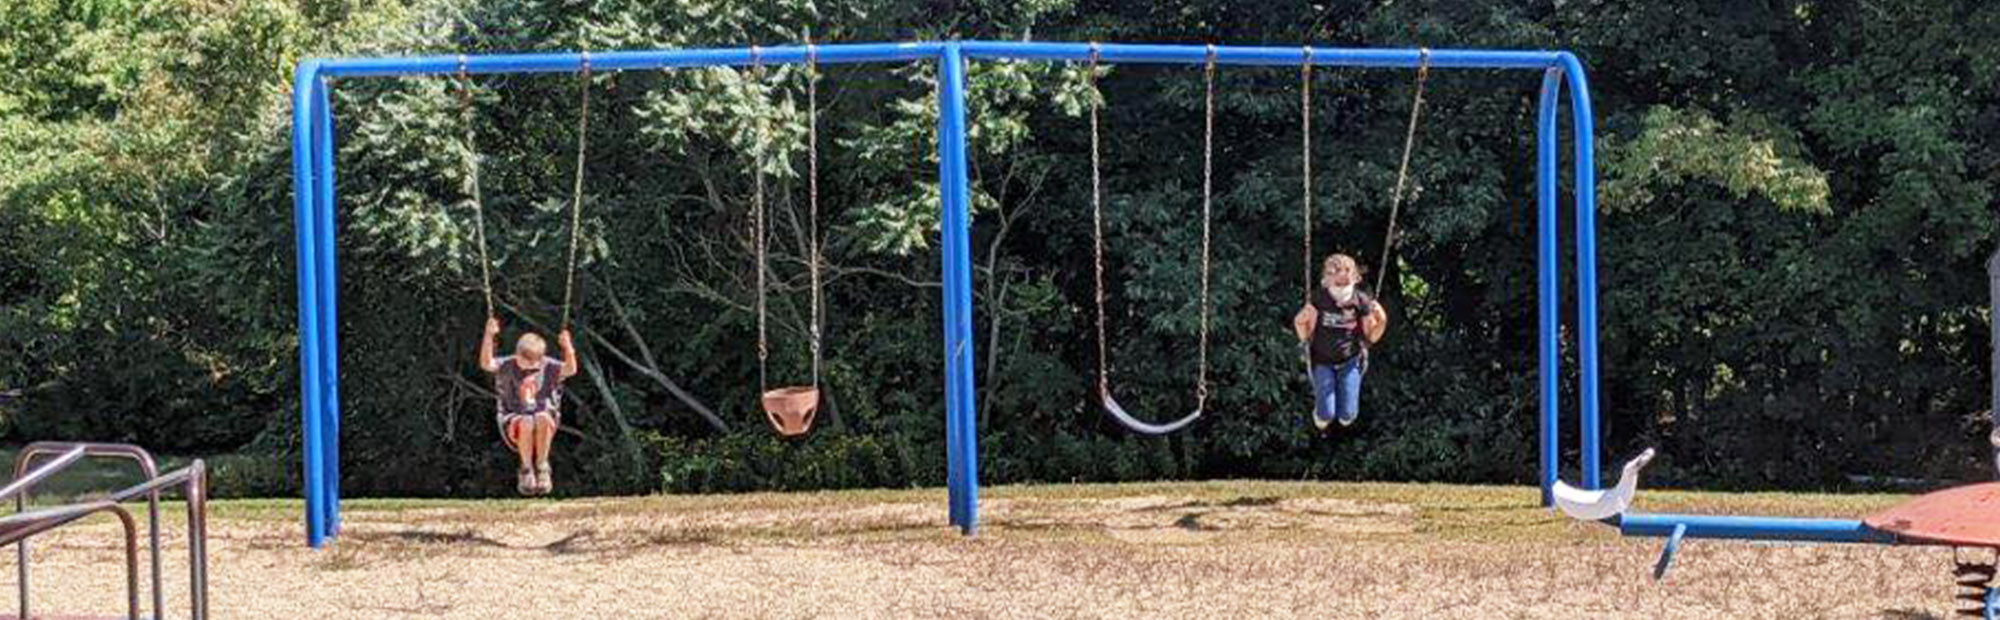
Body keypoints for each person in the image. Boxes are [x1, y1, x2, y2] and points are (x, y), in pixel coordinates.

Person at [478, 318, 579, 495]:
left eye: (534, 363)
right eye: (526, 361)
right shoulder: (507, 365)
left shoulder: (548, 366)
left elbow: (570, 370)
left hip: (545, 419)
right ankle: (526, 468)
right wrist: (489, 335)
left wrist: (568, 347)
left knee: (541, 417)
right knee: (527, 421)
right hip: (513, 419)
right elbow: (487, 363)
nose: (530, 366)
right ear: (517, 354)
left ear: (541, 358)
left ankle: (542, 465)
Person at [1292, 254, 1388, 430]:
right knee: (1326, 415)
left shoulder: (1361, 301)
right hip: (1322, 361)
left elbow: (1371, 336)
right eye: (1334, 272)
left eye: (1347, 271)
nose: (1341, 276)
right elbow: (1305, 336)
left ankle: (1345, 413)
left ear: (1356, 277)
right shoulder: (1318, 299)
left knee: (1347, 416)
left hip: (1350, 361)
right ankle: (1320, 413)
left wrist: (1382, 320)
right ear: (1325, 279)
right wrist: (1299, 322)